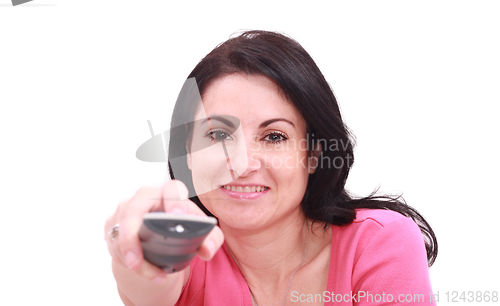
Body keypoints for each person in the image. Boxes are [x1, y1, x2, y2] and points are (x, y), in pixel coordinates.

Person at [105, 30, 438, 306]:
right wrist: (136, 249)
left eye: (274, 136)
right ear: (187, 154)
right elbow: (147, 283)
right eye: (218, 134)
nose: (243, 164)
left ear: (313, 155)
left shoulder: (379, 242)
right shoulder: (186, 258)